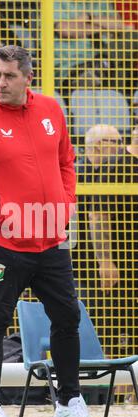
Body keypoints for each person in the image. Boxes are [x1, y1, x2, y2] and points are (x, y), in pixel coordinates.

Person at [0, 44, 98, 417]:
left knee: (67, 316)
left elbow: (67, 160)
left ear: (27, 78)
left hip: (52, 240)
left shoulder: (51, 109)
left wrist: (67, 202)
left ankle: (69, 403)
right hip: (5, 243)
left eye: (8, 76)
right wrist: (7, 219)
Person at [75, 124, 138, 358]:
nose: (120, 148)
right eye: (116, 143)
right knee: (105, 322)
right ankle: (103, 388)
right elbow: (98, 216)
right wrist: (105, 260)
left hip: (120, 264)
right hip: (95, 264)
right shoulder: (109, 169)